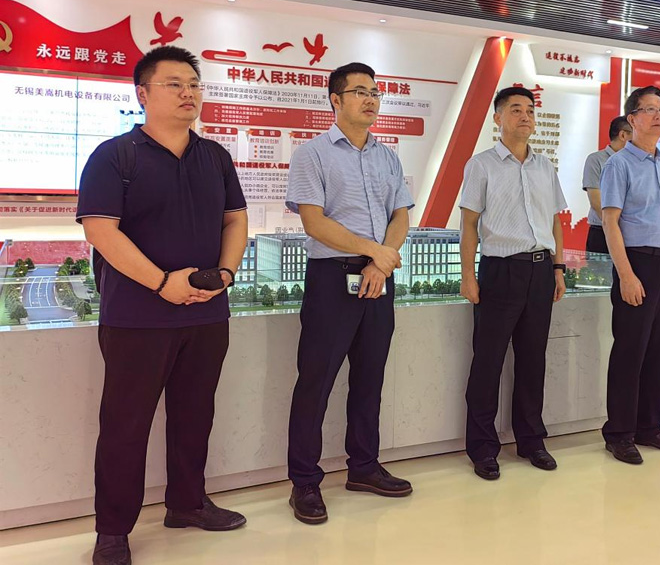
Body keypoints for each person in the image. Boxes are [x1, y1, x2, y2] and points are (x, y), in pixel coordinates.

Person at [78, 46, 249, 565]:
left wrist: (226, 274)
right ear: (143, 94)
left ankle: (187, 503)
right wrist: (160, 283)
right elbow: (100, 230)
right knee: (126, 425)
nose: (188, 93)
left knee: (195, 414)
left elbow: (235, 219)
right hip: (137, 317)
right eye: (174, 84)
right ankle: (113, 530)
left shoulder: (215, 157)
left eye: (194, 84)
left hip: (207, 312)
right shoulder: (115, 156)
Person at [285, 62, 414, 525]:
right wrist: (373, 252)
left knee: (370, 377)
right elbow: (314, 222)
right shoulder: (312, 154)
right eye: (360, 91)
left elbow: (401, 215)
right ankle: (304, 481)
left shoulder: (388, 157)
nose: (370, 99)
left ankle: (363, 467)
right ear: (335, 100)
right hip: (331, 279)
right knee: (315, 382)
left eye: (375, 92)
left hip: (379, 278)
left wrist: (381, 262)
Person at [459, 86, 568, 480]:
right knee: (487, 362)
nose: (525, 117)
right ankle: (483, 448)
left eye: (530, 111)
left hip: (540, 272)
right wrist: (468, 275)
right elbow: (469, 223)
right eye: (516, 110)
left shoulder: (544, 167)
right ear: (498, 118)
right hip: (500, 271)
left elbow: (554, 221)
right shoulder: (481, 165)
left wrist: (558, 268)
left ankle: (531, 441)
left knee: (533, 359)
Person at [599, 87, 660, 465]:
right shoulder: (618, 165)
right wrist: (626, 275)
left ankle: (650, 426)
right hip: (638, 264)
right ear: (632, 119)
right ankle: (619, 433)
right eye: (649, 110)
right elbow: (610, 222)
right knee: (630, 351)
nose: (658, 116)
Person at [582, 116, 632, 254]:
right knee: (600, 268)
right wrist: (615, 228)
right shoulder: (596, 159)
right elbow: (596, 202)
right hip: (602, 232)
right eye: (635, 133)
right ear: (623, 135)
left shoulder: (635, 163)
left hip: (631, 235)